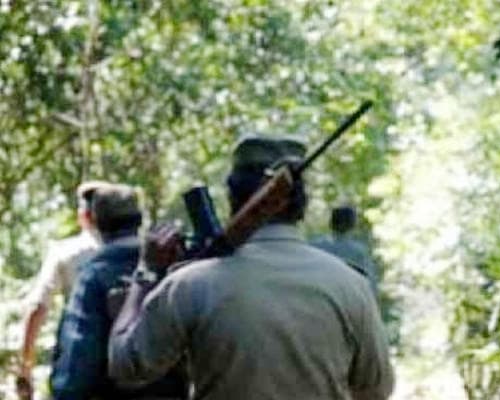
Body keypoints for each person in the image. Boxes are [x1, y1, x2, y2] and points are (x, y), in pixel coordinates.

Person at [108, 135, 394, 400]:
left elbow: (125, 367)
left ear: (233, 195)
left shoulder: (190, 284)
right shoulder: (350, 285)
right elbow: (376, 389)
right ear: (302, 202)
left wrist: (146, 272)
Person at [50, 183, 188, 400]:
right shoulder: (173, 266)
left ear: (96, 222)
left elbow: (77, 365)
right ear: (140, 220)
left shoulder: (94, 278)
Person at [17, 181, 108, 399]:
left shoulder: (65, 253)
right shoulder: (140, 252)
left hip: (82, 362)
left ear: (83, 216)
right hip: (133, 365)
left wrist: (25, 367)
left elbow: (37, 308)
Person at [311, 205, 380, 295]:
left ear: (330, 223)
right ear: (352, 225)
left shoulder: (315, 246)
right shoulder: (358, 252)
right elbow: (370, 285)